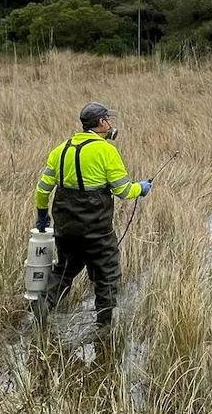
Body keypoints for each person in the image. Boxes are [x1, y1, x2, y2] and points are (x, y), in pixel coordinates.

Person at [32, 101, 151, 326]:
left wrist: (41, 214)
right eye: (108, 119)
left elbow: (42, 188)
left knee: (64, 271)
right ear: (101, 123)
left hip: (66, 228)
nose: (110, 123)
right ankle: (103, 328)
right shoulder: (107, 151)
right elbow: (124, 190)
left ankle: (39, 311)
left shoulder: (60, 150)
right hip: (97, 230)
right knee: (107, 275)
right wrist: (142, 188)